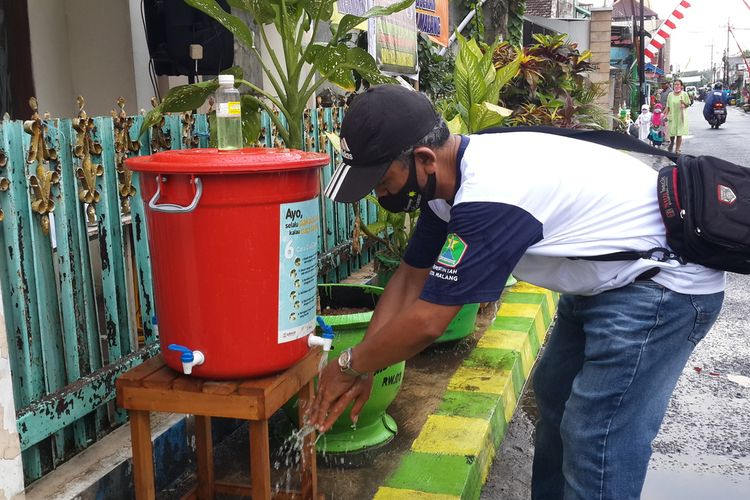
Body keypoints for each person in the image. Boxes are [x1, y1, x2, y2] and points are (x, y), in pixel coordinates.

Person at [309, 85, 724, 500]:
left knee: (597, 434)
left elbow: (428, 321)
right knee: (556, 396)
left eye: (381, 181)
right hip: (604, 279)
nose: (379, 195)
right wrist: (363, 364)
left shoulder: (489, 195)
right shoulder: (448, 179)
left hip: (661, 286)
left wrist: (348, 364)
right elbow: (408, 279)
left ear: (423, 159)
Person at [665, 79, 691, 153]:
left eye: (678, 84)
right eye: (675, 84)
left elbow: (688, 104)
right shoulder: (670, 95)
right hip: (672, 115)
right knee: (672, 133)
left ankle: (677, 149)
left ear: (681, 86)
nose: (676, 86)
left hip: (680, 116)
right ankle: (672, 143)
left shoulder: (684, 94)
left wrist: (684, 104)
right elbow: (668, 106)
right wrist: (665, 115)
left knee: (679, 134)